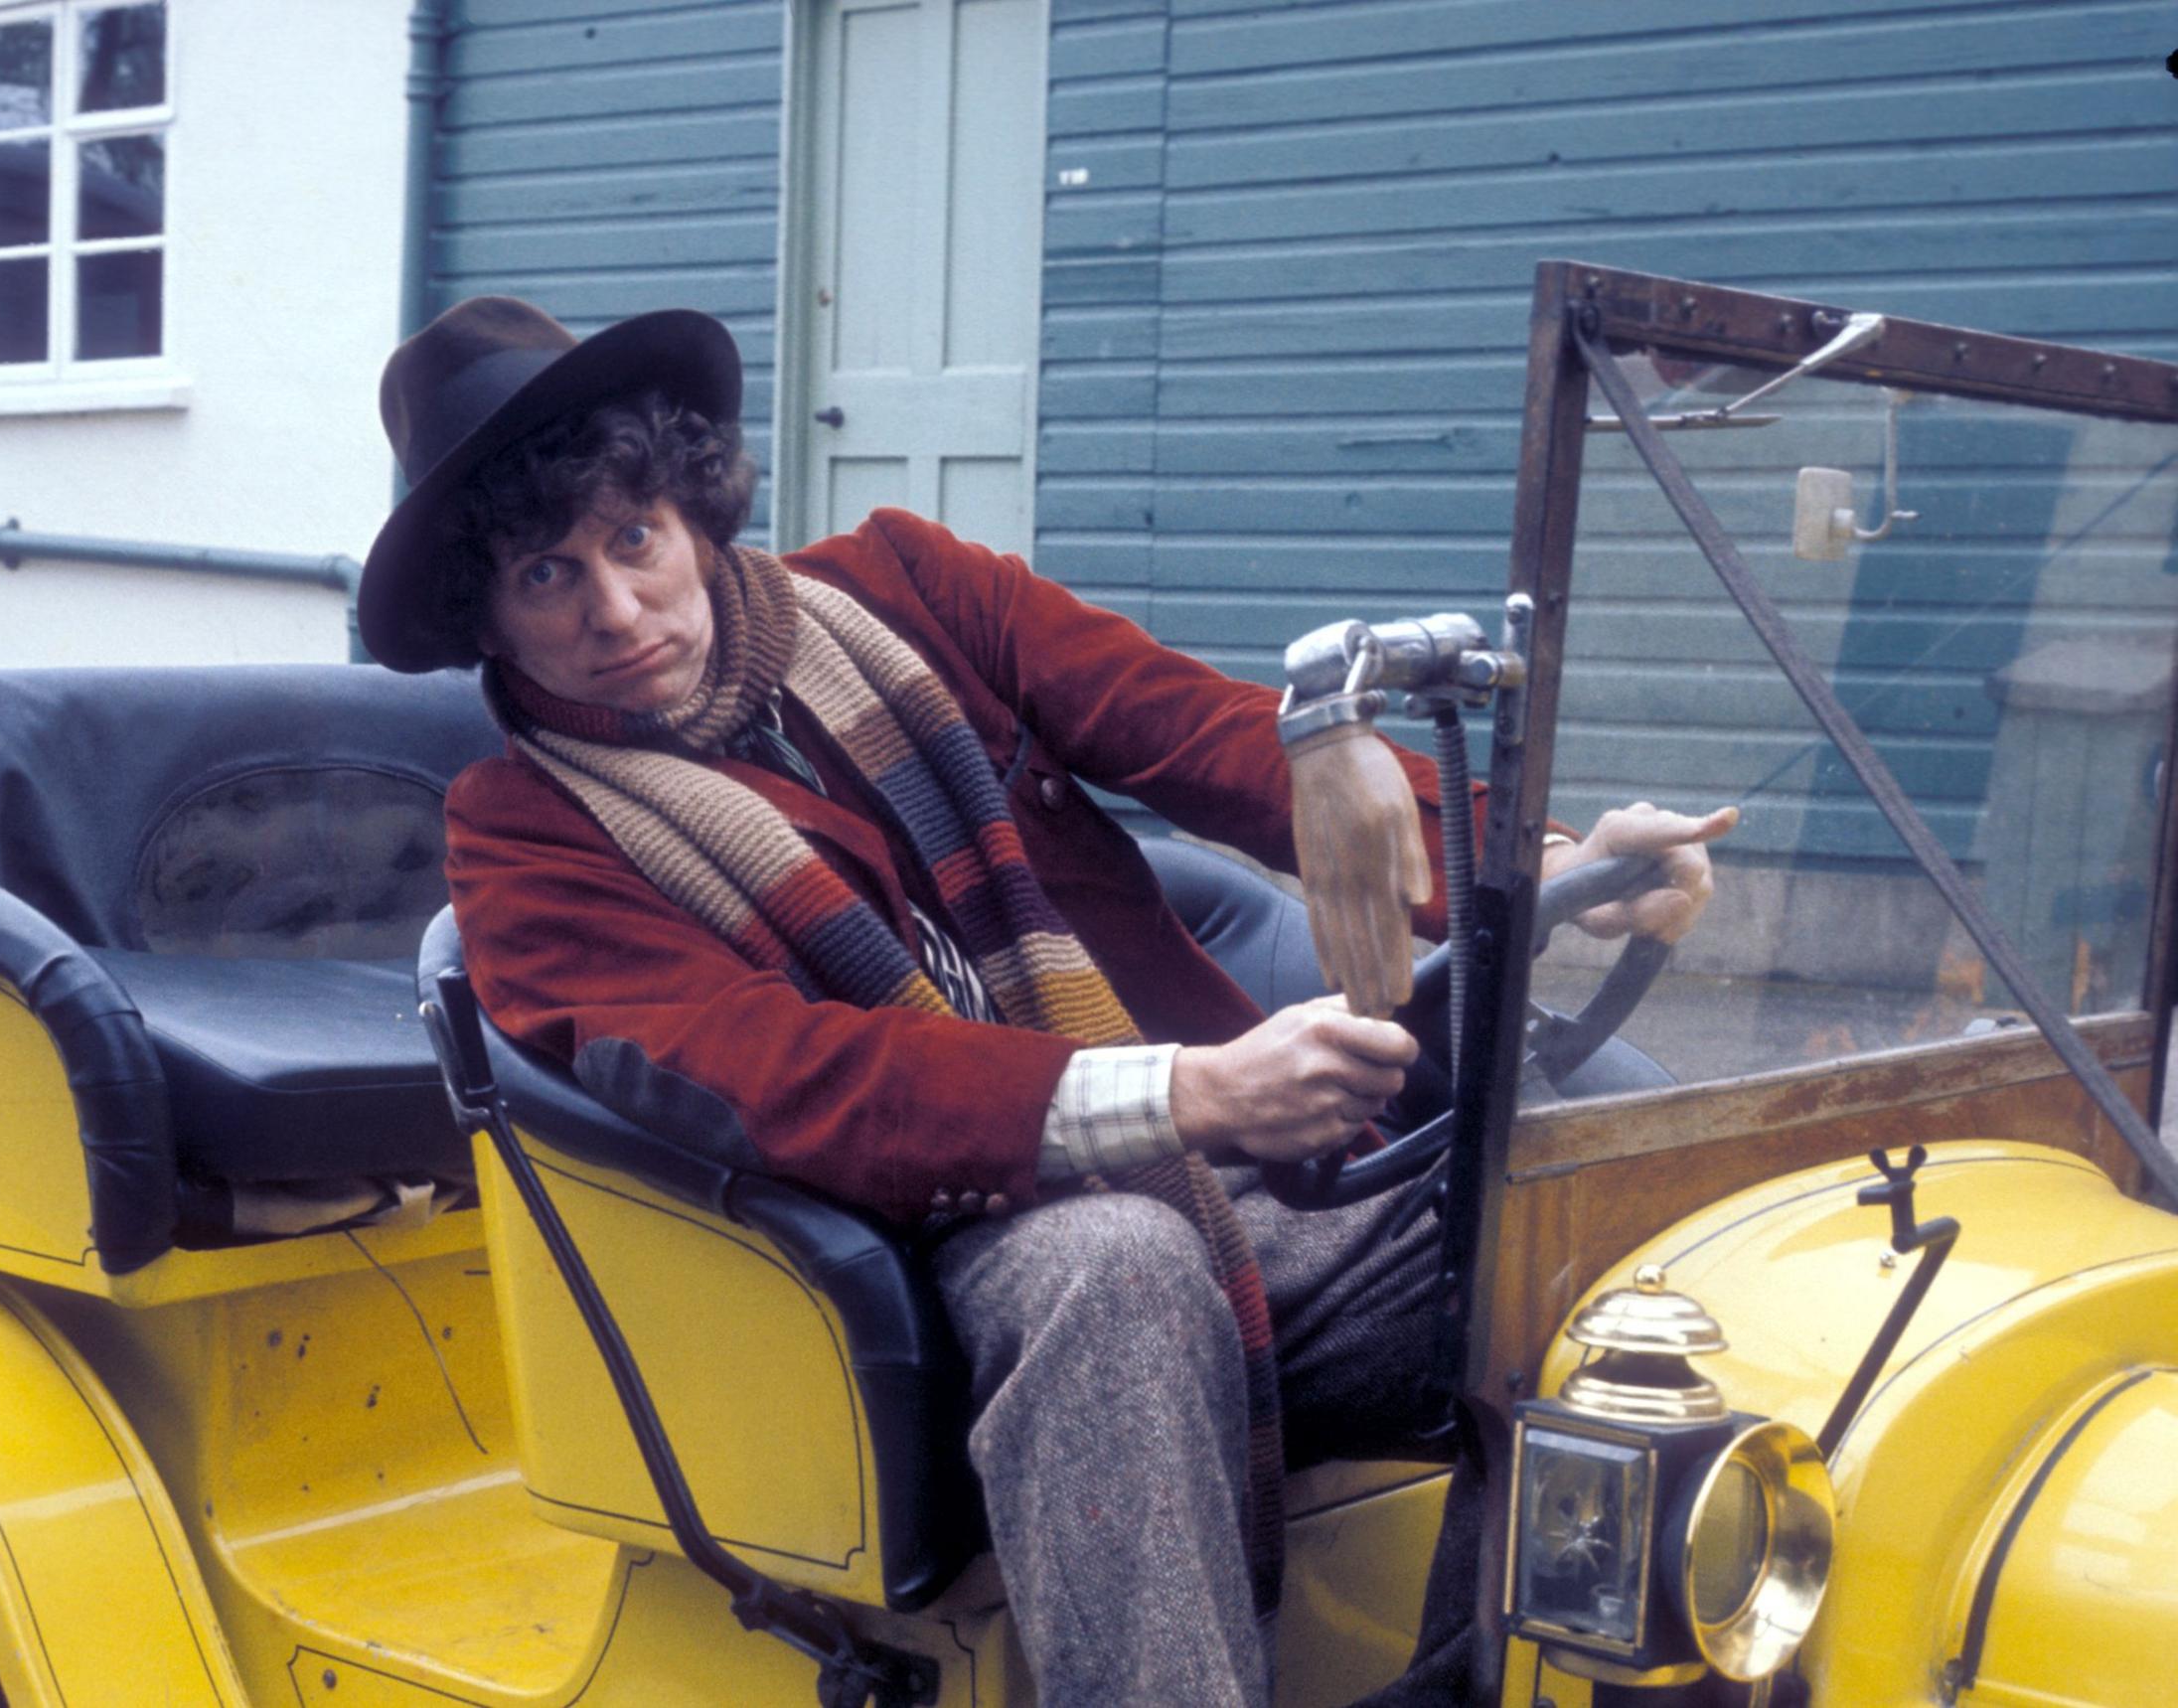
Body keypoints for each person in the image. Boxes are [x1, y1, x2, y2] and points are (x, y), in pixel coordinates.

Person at [357, 297, 1732, 1706]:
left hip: (1222, 1183)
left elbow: (1191, 729)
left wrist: (1543, 863)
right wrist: (1188, 1093)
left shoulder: (908, 587)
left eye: (631, 538)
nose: (618, 610)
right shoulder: (522, 838)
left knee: (1585, 1212)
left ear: (687, 507)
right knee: (1114, 1266)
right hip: (909, 1258)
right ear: (491, 619)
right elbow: (783, 1077)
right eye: (545, 576)